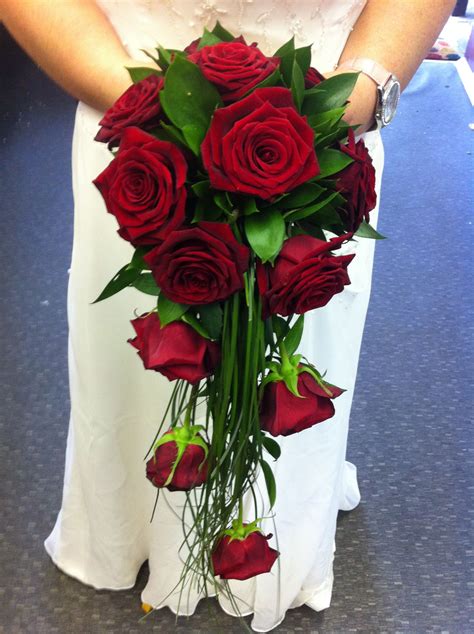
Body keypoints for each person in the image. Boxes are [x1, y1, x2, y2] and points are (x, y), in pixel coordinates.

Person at [1, 1, 455, 631]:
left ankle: (266, 532)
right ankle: (132, 520)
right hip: (127, 110)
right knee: (142, 354)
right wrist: (150, 107)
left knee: (294, 340)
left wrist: (364, 91)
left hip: (324, 127)